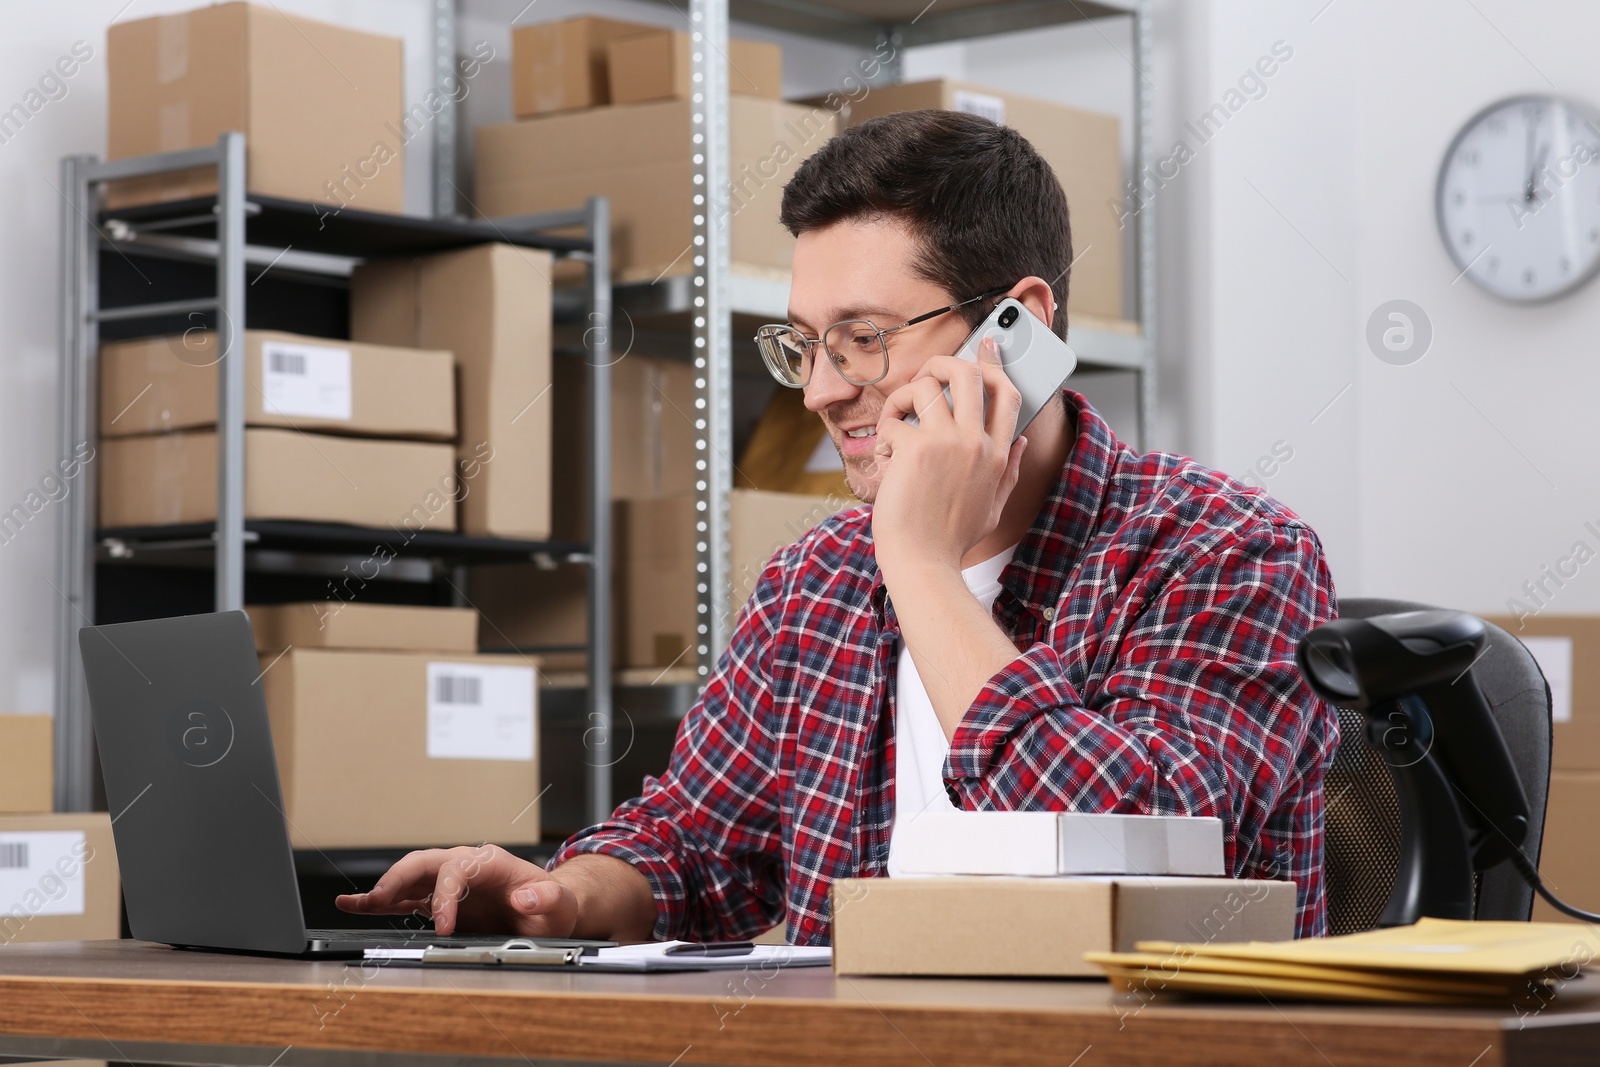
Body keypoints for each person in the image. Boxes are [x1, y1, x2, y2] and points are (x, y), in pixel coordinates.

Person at [337, 109, 1339, 943]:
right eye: (803, 346)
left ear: (1019, 328)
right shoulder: (812, 579)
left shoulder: (1228, 550)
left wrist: (920, 564)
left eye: (861, 340)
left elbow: (1130, 852)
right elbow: (697, 840)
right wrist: (558, 893)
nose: (818, 391)